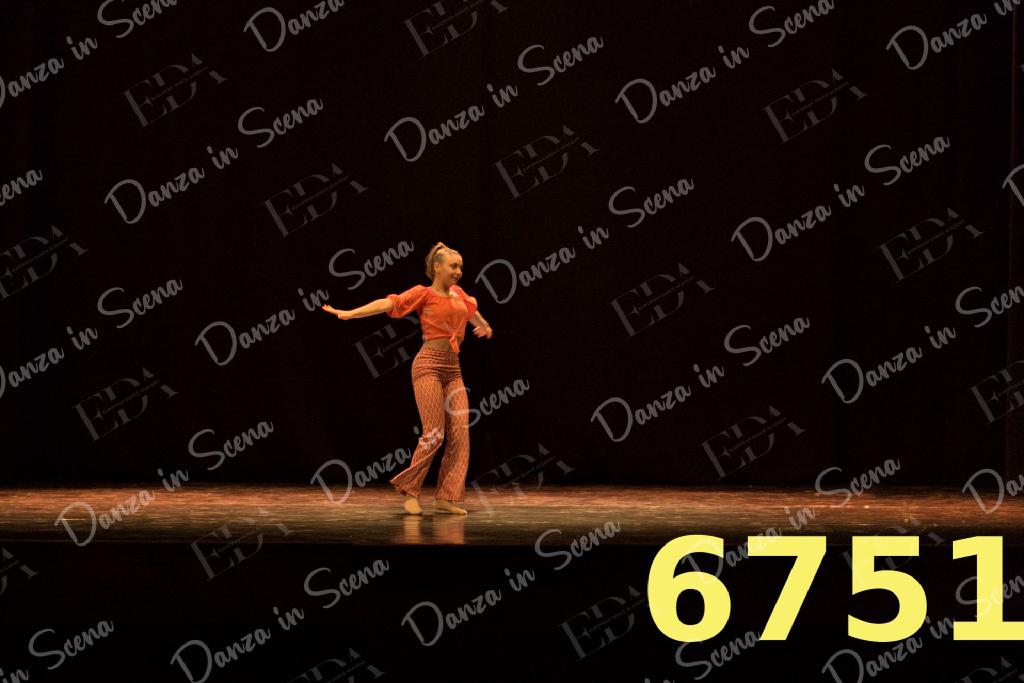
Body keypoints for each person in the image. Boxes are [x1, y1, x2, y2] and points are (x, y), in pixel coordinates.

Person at [321, 242, 494, 515]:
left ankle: (446, 497)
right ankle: (411, 491)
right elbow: (389, 303)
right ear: (437, 267)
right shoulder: (423, 293)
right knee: (434, 433)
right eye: (453, 266)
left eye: (460, 267)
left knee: (460, 433)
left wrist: (483, 325)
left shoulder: (459, 293)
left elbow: (471, 311)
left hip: (453, 369)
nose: (459, 271)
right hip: (428, 366)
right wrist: (351, 313)